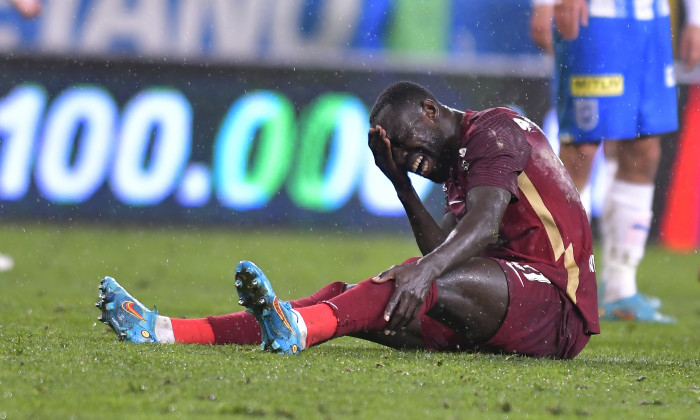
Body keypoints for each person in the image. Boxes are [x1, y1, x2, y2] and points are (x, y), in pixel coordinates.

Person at [96, 81, 599, 359]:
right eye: (398, 155)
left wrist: (423, 273)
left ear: (430, 110)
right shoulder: (455, 167)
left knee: (409, 278)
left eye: (408, 144)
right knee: (342, 296)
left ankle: (298, 330)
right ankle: (166, 330)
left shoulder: (493, 132)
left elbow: (482, 230)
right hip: (504, 307)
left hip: (555, 309)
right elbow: (443, 250)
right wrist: (402, 187)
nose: (409, 158)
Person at [529, 0, 700, 322]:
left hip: (653, 19)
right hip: (594, 16)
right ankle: (555, 283)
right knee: (582, 147)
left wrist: (695, 17)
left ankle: (620, 289)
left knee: (643, 146)